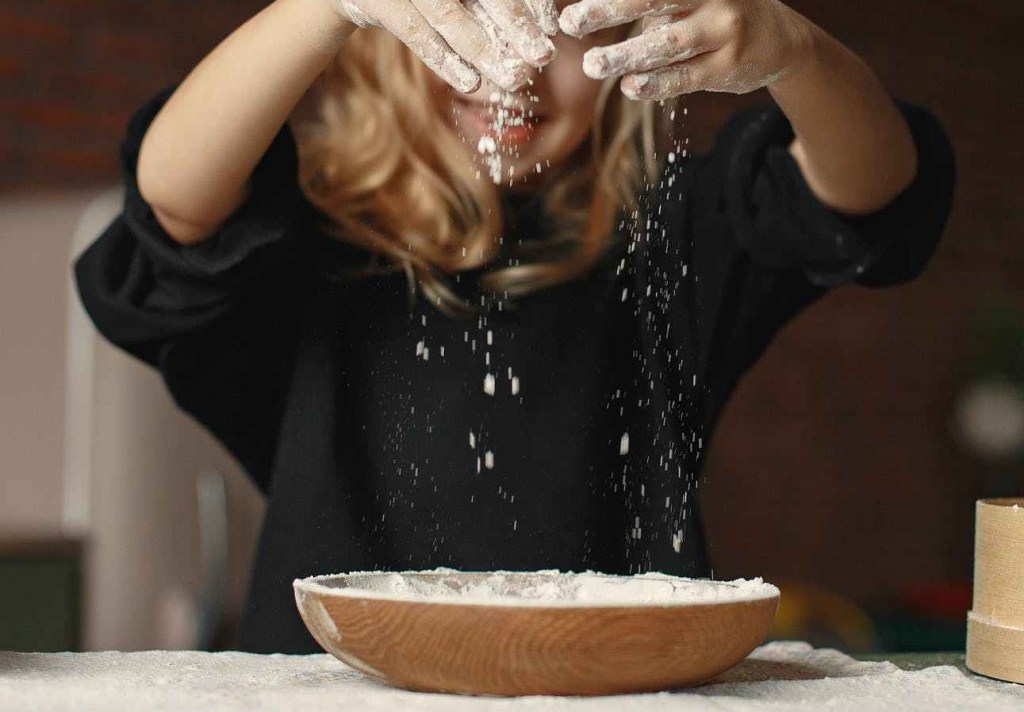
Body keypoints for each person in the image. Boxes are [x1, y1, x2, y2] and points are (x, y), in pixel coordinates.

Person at [74, 0, 955, 653]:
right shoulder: (312, 243)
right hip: (329, 696)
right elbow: (174, 208)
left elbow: (872, 194)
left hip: (620, 696)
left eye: (562, 21)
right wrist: (324, 5)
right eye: (472, 14)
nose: (516, 65)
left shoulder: (672, 233)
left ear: (628, 36)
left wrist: (793, 53)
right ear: (396, 30)